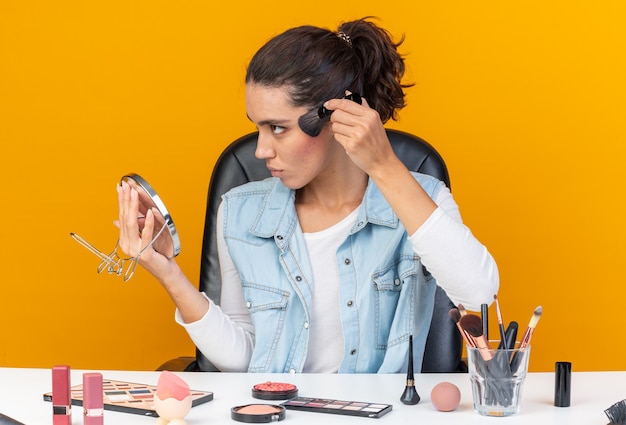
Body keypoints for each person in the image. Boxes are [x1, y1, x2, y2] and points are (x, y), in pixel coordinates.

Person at [117, 17, 499, 373]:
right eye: (258, 127)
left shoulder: (424, 197)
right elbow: (245, 358)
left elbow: (479, 292)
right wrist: (168, 273)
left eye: (277, 128)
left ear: (337, 115)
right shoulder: (239, 212)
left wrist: (383, 165)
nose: (261, 149)